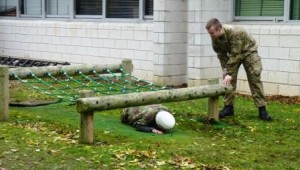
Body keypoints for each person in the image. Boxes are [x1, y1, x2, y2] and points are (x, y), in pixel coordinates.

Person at [205, 18, 272, 121]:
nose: (210, 35)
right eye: (210, 33)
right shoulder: (215, 38)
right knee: (228, 80)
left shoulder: (235, 33)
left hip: (248, 51)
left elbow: (236, 55)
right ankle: (228, 107)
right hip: (234, 54)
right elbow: (221, 55)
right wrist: (225, 71)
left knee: (254, 78)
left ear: (219, 29)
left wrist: (229, 72)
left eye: (212, 33)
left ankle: (262, 109)